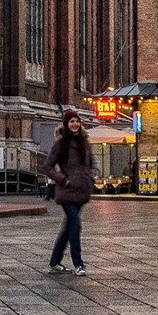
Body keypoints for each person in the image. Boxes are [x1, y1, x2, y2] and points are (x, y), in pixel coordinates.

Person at [43, 111, 93, 276]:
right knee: (76, 225)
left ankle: (54, 262)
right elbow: (48, 167)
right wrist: (63, 180)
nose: (75, 124)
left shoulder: (85, 143)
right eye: (71, 121)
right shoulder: (61, 144)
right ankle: (79, 264)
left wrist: (91, 178)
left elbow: (89, 165)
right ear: (66, 124)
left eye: (77, 121)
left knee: (68, 229)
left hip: (81, 191)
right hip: (67, 191)